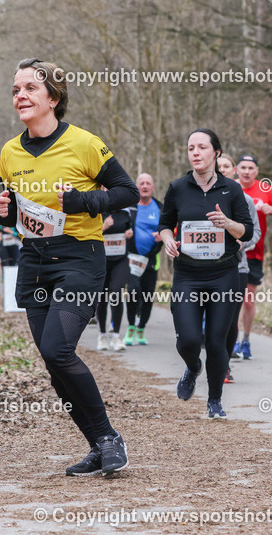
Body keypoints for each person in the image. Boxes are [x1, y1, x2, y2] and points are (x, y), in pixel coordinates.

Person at [0, 57, 138, 476]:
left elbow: (126, 192)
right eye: (16, 89)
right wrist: (0, 209)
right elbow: (11, 211)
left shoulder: (85, 143)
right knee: (53, 360)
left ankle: (109, 437)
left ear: (53, 98)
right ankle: (97, 446)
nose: (20, 95)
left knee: (58, 348)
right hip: (34, 260)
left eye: (30, 88)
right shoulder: (9, 151)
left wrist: (84, 201)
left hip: (79, 257)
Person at [159, 129, 254, 419]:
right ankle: (192, 366)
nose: (196, 152)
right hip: (187, 274)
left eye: (202, 147)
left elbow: (247, 231)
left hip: (223, 273)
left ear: (216, 153)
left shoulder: (232, 189)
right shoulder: (178, 188)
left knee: (216, 341)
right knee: (188, 339)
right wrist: (167, 240)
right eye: (191, 148)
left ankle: (215, 400)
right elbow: (165, 224)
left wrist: (227, 223)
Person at [234, 153, 272, 360]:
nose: (246, 171)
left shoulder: (265, 189)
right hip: (232, 252)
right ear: (237, 169)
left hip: (255, 252)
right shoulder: (230, 187)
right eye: (243, 167)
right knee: (232, 298)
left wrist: (271, 210)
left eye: (250, 168)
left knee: (248, 300)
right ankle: (232, 341)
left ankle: (245, 340)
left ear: (257, 171)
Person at [216, 154, 260, 382]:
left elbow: (256, 232)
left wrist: (242, 242)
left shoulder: (246, 200)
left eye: (226, 166)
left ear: (234, 170)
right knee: (211, 316)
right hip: (206, 267)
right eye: (218, 166)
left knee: (231, 317)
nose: (222, 169)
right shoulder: (201, 197)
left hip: (238, 266)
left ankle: (224, 366)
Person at [123, 173, 162, 346]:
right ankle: (131, 326)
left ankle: (141, 328)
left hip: (151, 259)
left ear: (153, 187)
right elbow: (119, 225)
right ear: (136, 186)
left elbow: (168, 229)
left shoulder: (160, 208)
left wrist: (162, 237)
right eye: (141, 183)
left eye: (148, 183)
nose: (145, 186)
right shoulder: (129, 208)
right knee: (132, 290)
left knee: (147, 295)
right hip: (131, 259)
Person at [96, 201, 132, 351]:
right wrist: (103, 227)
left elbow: (129, 230)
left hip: (120, 260)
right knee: (102, 298)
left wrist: (129, 233)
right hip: (102, 261)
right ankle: (102, 335)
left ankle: (116, 336)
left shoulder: (125, 213)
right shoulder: (97, 212)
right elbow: (87, 236)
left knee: (117, 292)